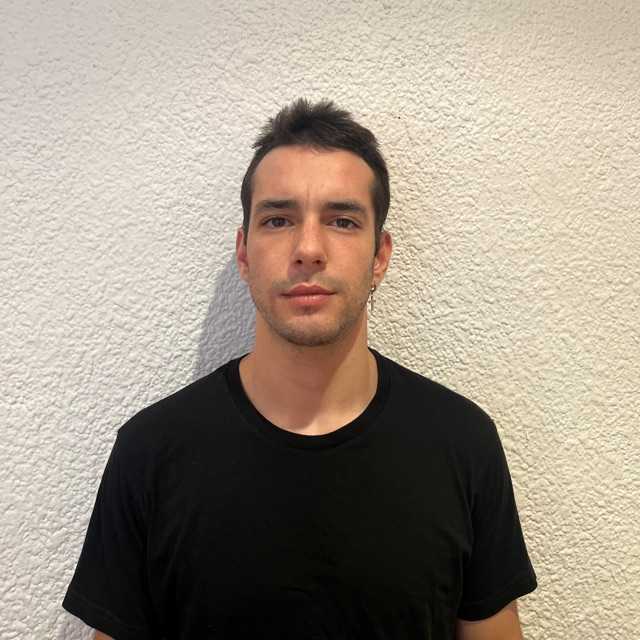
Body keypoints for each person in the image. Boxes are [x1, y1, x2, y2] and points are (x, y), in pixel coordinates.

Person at [62, 98, 537, 640]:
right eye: (278, 220)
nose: (309, 248)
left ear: (379, 256)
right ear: (244, 253)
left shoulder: (463, 443)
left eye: (342, 221)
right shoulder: (151, 452)